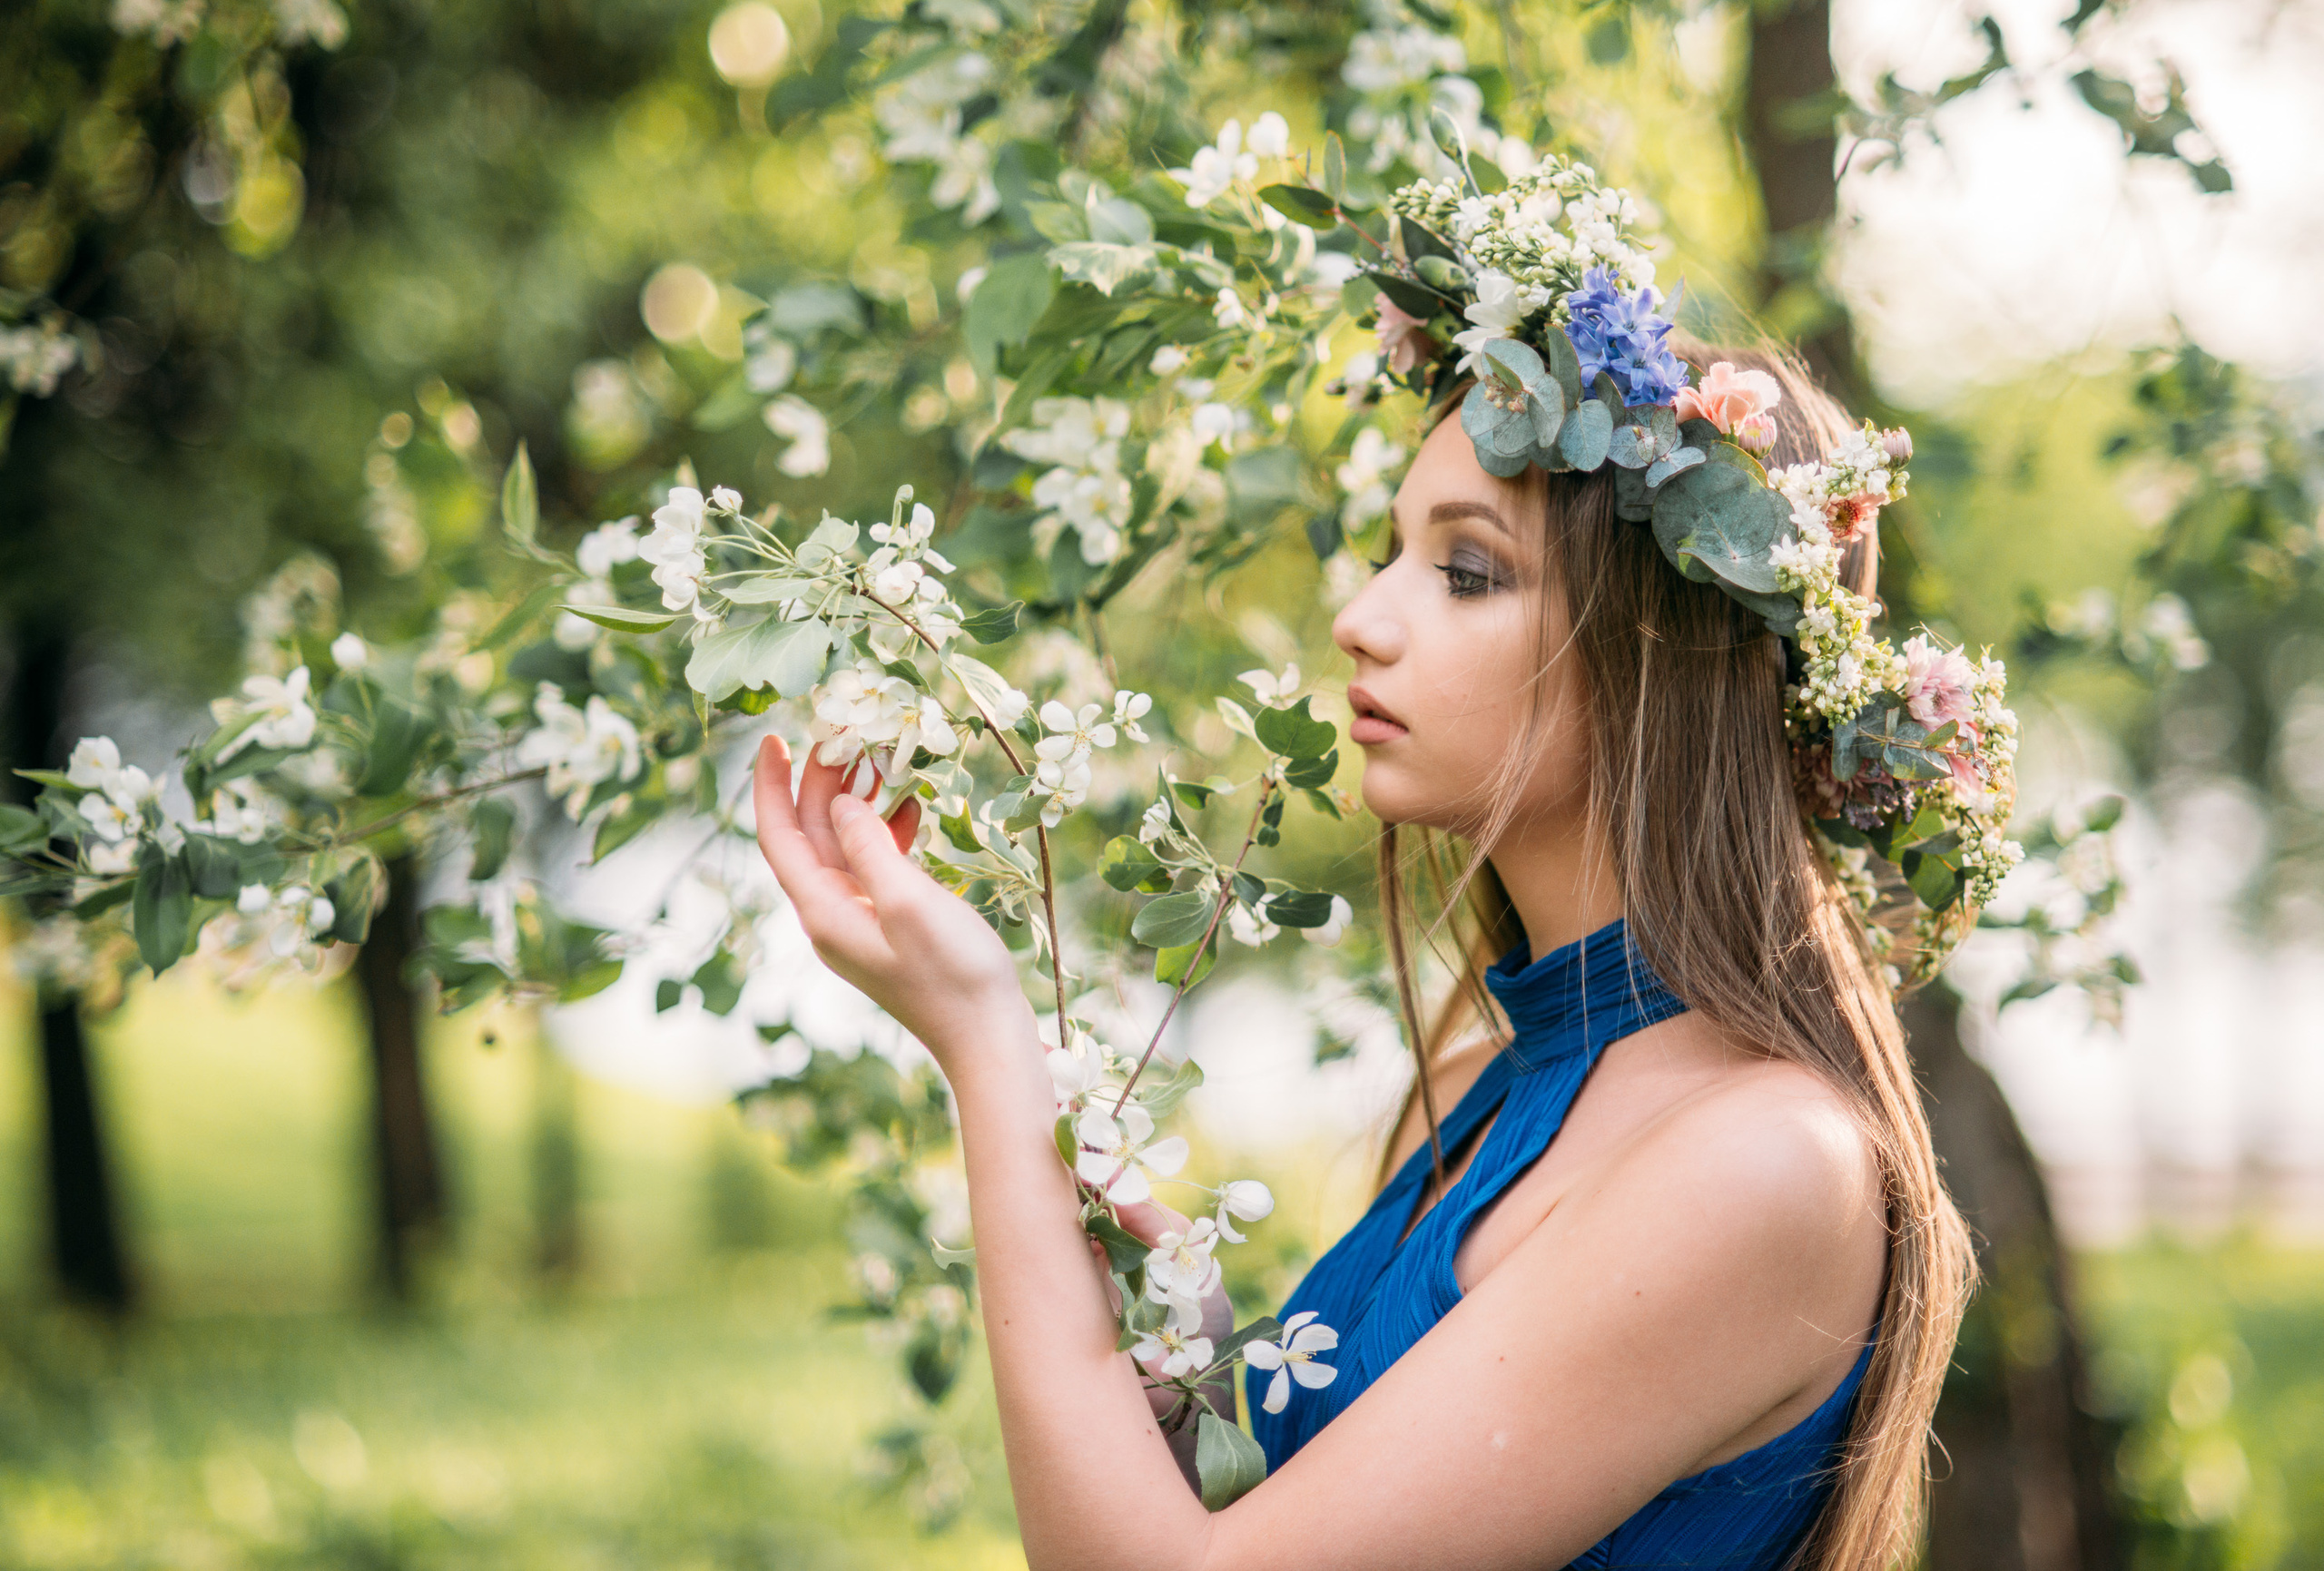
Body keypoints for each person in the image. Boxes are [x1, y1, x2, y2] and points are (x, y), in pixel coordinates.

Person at [749, 323, 1982, 1570]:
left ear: (1663, 652)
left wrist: (985, 1045)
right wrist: (1192, 1384)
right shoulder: (1465, 1103)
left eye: (1466, 570)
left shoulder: (1765, 1163)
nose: (1357, 620)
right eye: (1394, 552)